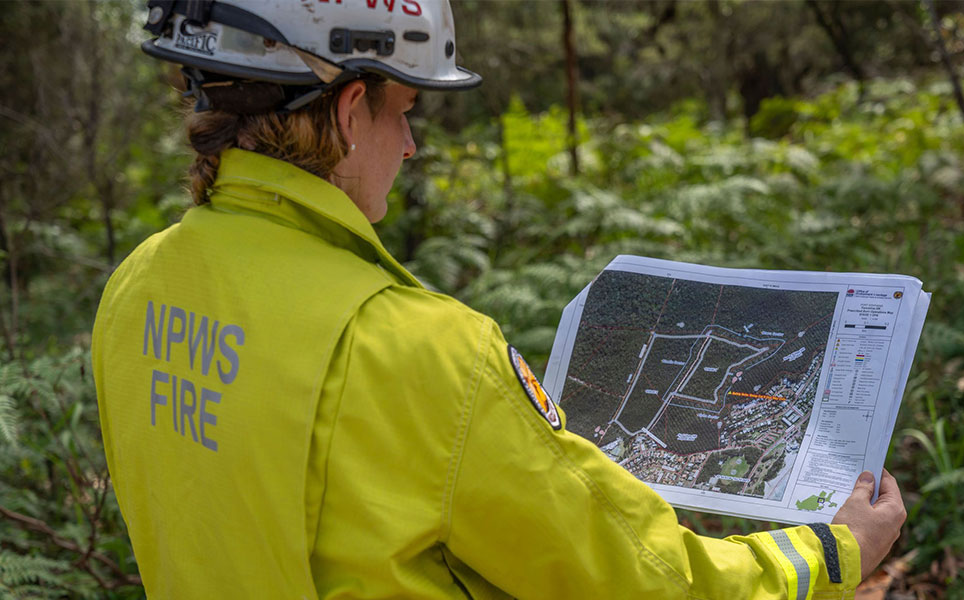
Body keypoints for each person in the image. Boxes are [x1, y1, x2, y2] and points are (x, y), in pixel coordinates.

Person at [91, 1, 907, 598]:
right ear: (347, 111)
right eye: (404, 111)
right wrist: (833, 553)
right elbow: (649, 583)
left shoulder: (140, 286)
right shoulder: (419, 349)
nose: (410, 144)